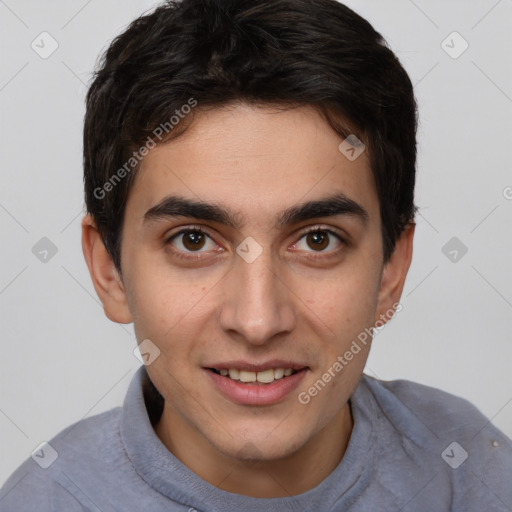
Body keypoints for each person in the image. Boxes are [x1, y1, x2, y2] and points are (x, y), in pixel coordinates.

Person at [1, 0, 511, 510]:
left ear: (391, 271)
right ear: (110, 270)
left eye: (317, 240)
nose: (258, 321)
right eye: (193, 240)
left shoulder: (472, 476)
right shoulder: (43, 500)